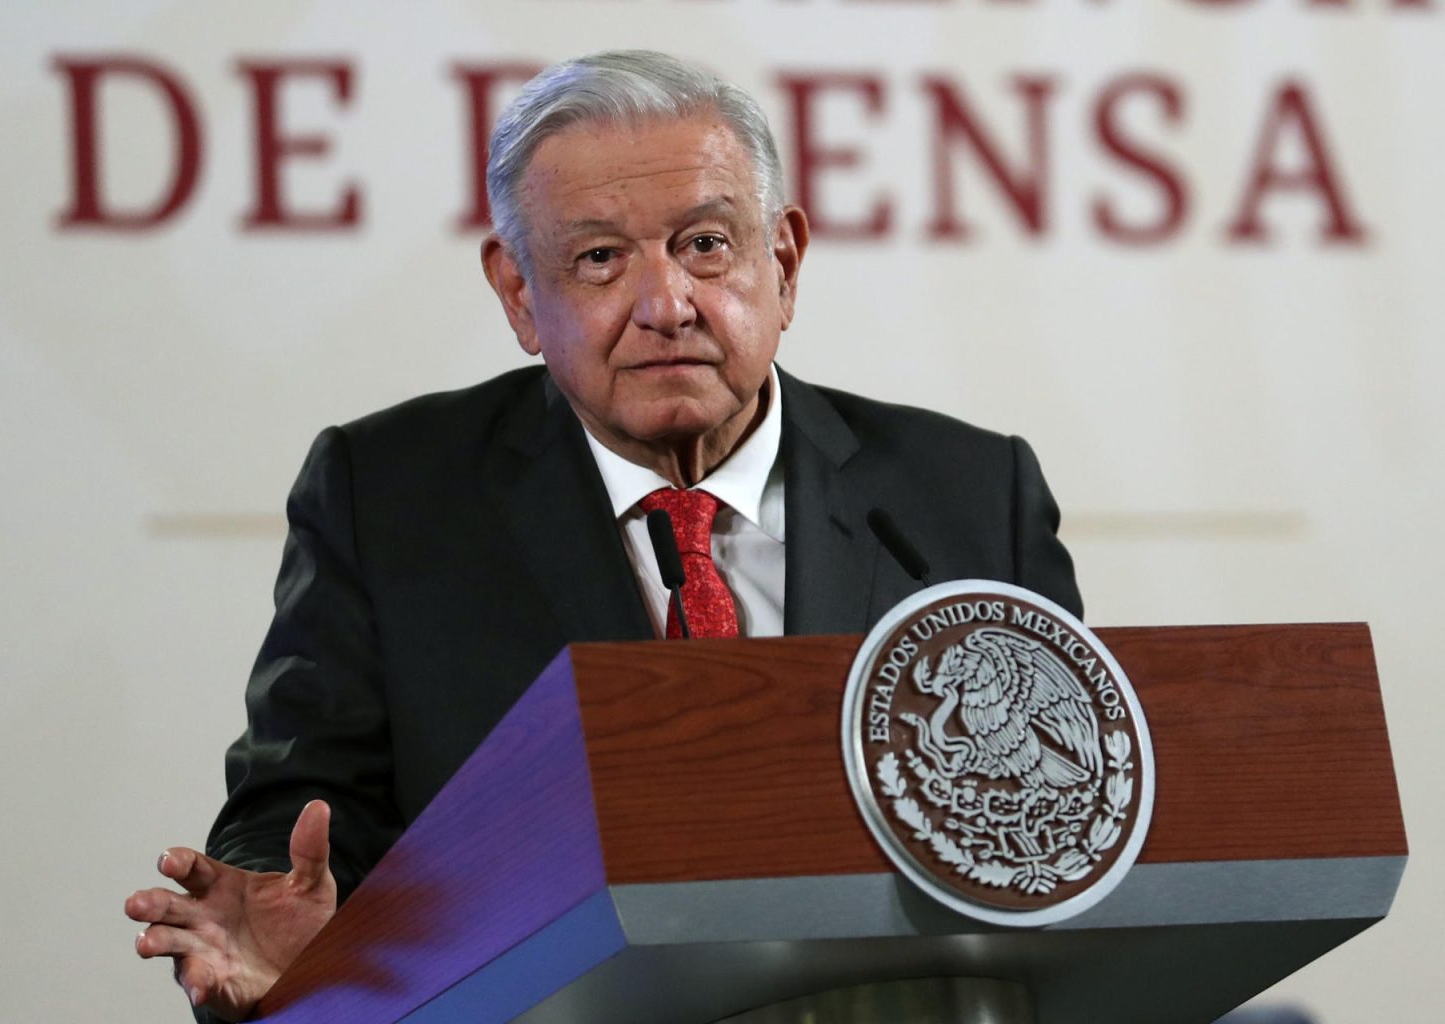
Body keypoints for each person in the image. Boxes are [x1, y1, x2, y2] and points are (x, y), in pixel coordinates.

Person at [125, 50, 1082, 1022]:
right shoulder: (392, 495)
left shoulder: (966, 492)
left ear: (784, 263)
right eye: (599, 259)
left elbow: (1073, 821)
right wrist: (289, 923)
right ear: (516, 292)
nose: (666, 305)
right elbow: (308, 802)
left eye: (706, 244)